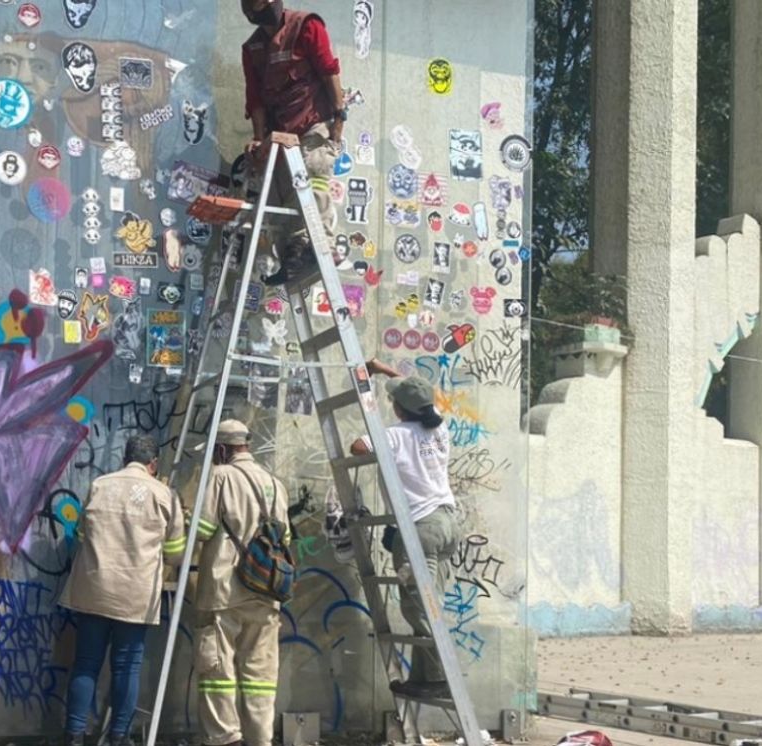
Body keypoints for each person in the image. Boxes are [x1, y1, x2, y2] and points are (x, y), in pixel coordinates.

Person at [60, 435, 187, 746]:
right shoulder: (164, 495)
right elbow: (176, 553)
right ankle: (119, 736)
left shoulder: (100, 485)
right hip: (135, 595)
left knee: (86, 662)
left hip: (94, 589)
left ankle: (74, 735)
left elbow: (79, 535)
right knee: (126, 666)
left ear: (124, 458)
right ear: (153, 464)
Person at [349, 362, 461, 700]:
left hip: (420, 529)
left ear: (400, 409)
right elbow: (418, 390)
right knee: (429, 602)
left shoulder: (396, 435)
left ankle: (443, 678)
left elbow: (358, 447)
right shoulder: (438, 427)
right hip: (447, 523)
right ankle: (427, 678)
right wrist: (382, 368)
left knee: (419, 607)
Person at [191, 420, 291, 746]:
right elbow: (285, 537)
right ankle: (260, 739)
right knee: (260, 676)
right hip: (266, 593)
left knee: (217, 672)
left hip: (224, 592)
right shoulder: (275, 483)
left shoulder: (220, 476)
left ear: (222, 449)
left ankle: (225, 738)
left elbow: (203, 530)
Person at [239, 0, 348, 285]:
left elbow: (329, 70)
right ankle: (293, 256)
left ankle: (321, 246)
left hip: (313, 121)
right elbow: (256, 100)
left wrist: (339, 118)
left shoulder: (306, 26)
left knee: (313, 169)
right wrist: (259, 140)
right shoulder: (252, 49)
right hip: (281, 132)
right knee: (276, 189)